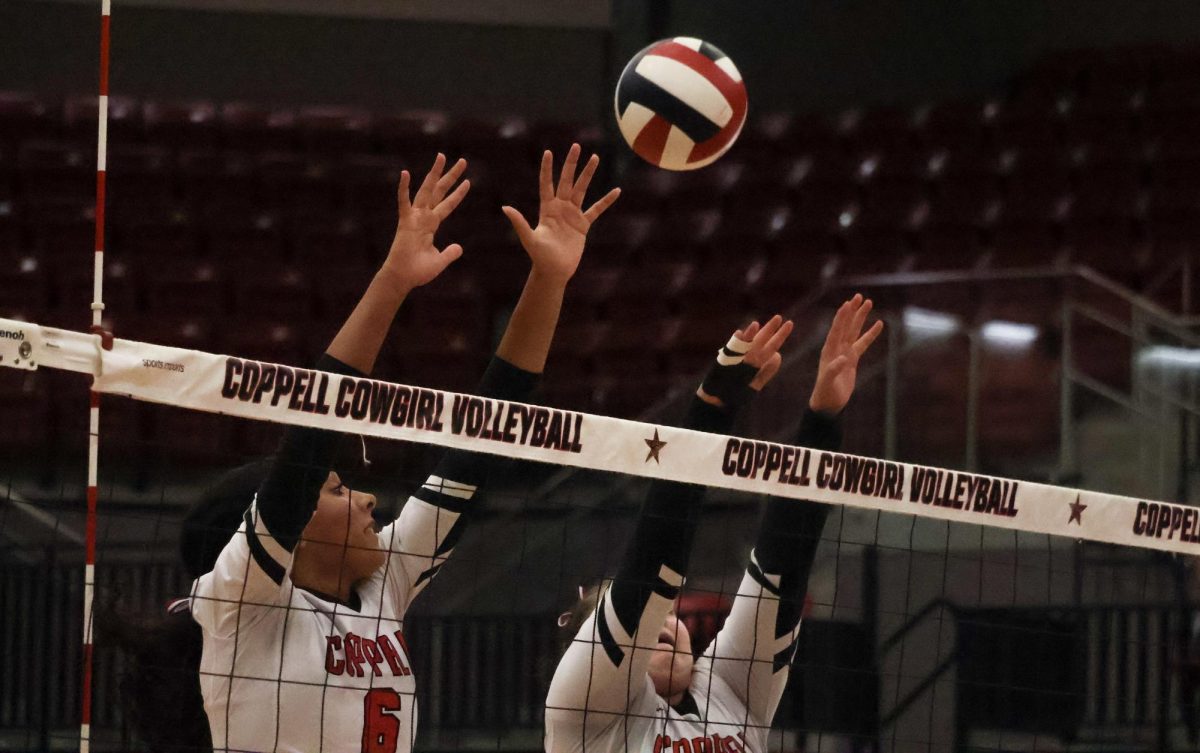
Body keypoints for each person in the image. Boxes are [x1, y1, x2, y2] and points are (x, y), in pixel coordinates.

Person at [105, 144, 619, 753]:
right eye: (338, 489)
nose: (369, 498)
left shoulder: (384, 585)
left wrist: (549, 278)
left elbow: (484, 436)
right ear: (289, 530)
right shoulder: (244, 600)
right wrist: (393, 278)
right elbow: (314, 426)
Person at [545, 295, 883, 752]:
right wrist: (711, 410)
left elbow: (780, 576)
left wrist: (822, 420)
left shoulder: (728, 691)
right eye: (649, 619)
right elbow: (648, 573)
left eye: (671, 613)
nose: (664, 619)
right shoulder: (585, 708)